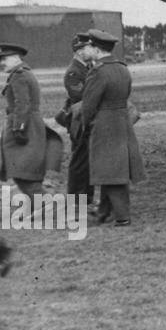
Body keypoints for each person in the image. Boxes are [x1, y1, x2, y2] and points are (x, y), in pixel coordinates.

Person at [81, 30, 145, 225]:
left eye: (88, 46)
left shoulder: (98, 72)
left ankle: (122, 216)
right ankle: (103, 212)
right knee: (112, 168)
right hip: (121, 122)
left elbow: (89, 104)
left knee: (111, 170)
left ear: (96, 49)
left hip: (104, 124)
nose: (86, 49)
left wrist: (85, 125)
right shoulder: (122, 68)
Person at [0, 43, 45, 210]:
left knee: (23, 172)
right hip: (29, 125)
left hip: (25, 127)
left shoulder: (19, 76)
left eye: (5, 58)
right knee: (24, 171)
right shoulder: (22, 74)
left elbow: (22, 104)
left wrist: (18, 128)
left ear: (16, 58)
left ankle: (47, 207)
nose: (2, 62)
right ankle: (38, 208)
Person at [57, 32, 96, 207]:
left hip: (86, 119)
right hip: (79, 121)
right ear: (79, 51)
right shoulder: (74, 72)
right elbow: (80, 96)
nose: (92, 50)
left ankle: (86, 198)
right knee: (79, 161)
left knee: (87, 161)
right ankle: (74, 199)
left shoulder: (86, 68)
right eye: (89, 47)